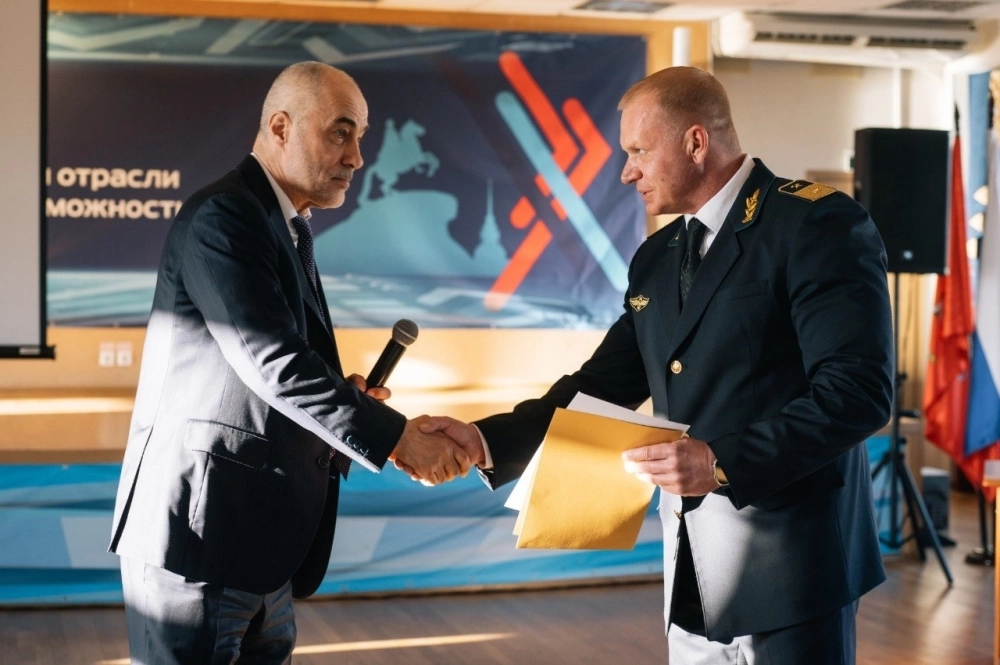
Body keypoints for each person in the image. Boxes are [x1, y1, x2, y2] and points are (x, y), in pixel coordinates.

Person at [414, 66, 894, 664]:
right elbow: (601, 385)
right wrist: (486, 439)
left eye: (639, 151)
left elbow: (857, 393)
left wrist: (720, 462)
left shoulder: (813, 223)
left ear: (696, 142)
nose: (626, 171)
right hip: (691, 563)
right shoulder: (658, 256)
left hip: (793, 563)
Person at [109, 61, 471, 664]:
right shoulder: (226, 216)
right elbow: (274, 364)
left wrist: (344, 394)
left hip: (261, 546)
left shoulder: (284, 223)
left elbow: (268, 369)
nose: (357, 157)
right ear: (280, 127)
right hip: (202, 539)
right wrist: (398, 437)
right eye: (340, 132)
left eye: (360, 136)